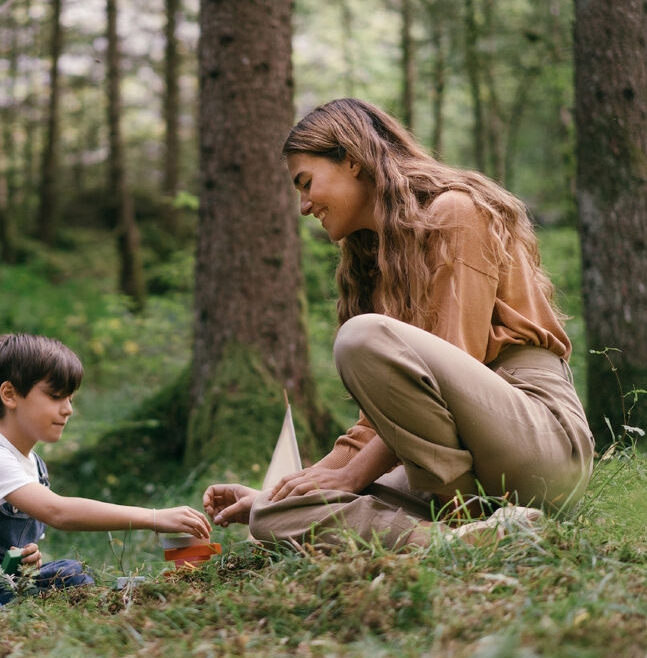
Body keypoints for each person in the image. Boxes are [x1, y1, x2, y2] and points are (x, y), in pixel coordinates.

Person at [203, 98, 594, 550]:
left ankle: (463, 519)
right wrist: (280, 494)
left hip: (533, 444)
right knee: (271, 520)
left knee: (361, 337)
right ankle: (464, 541)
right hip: (461, 466)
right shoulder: (376, 260)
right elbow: (386, 420)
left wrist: (353, 475)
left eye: (306, 183)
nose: (305, 206)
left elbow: (454, 359)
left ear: (351, 160)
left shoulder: (456, 212)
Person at [0, 333, 211, 634]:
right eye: (56, 396)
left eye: (71, 398)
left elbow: (9, 548)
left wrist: (24, 558)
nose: (68, 409)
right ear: (10, 395)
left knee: (71, 574)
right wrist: (153, 517)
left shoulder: (33, 466)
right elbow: (58, 512)